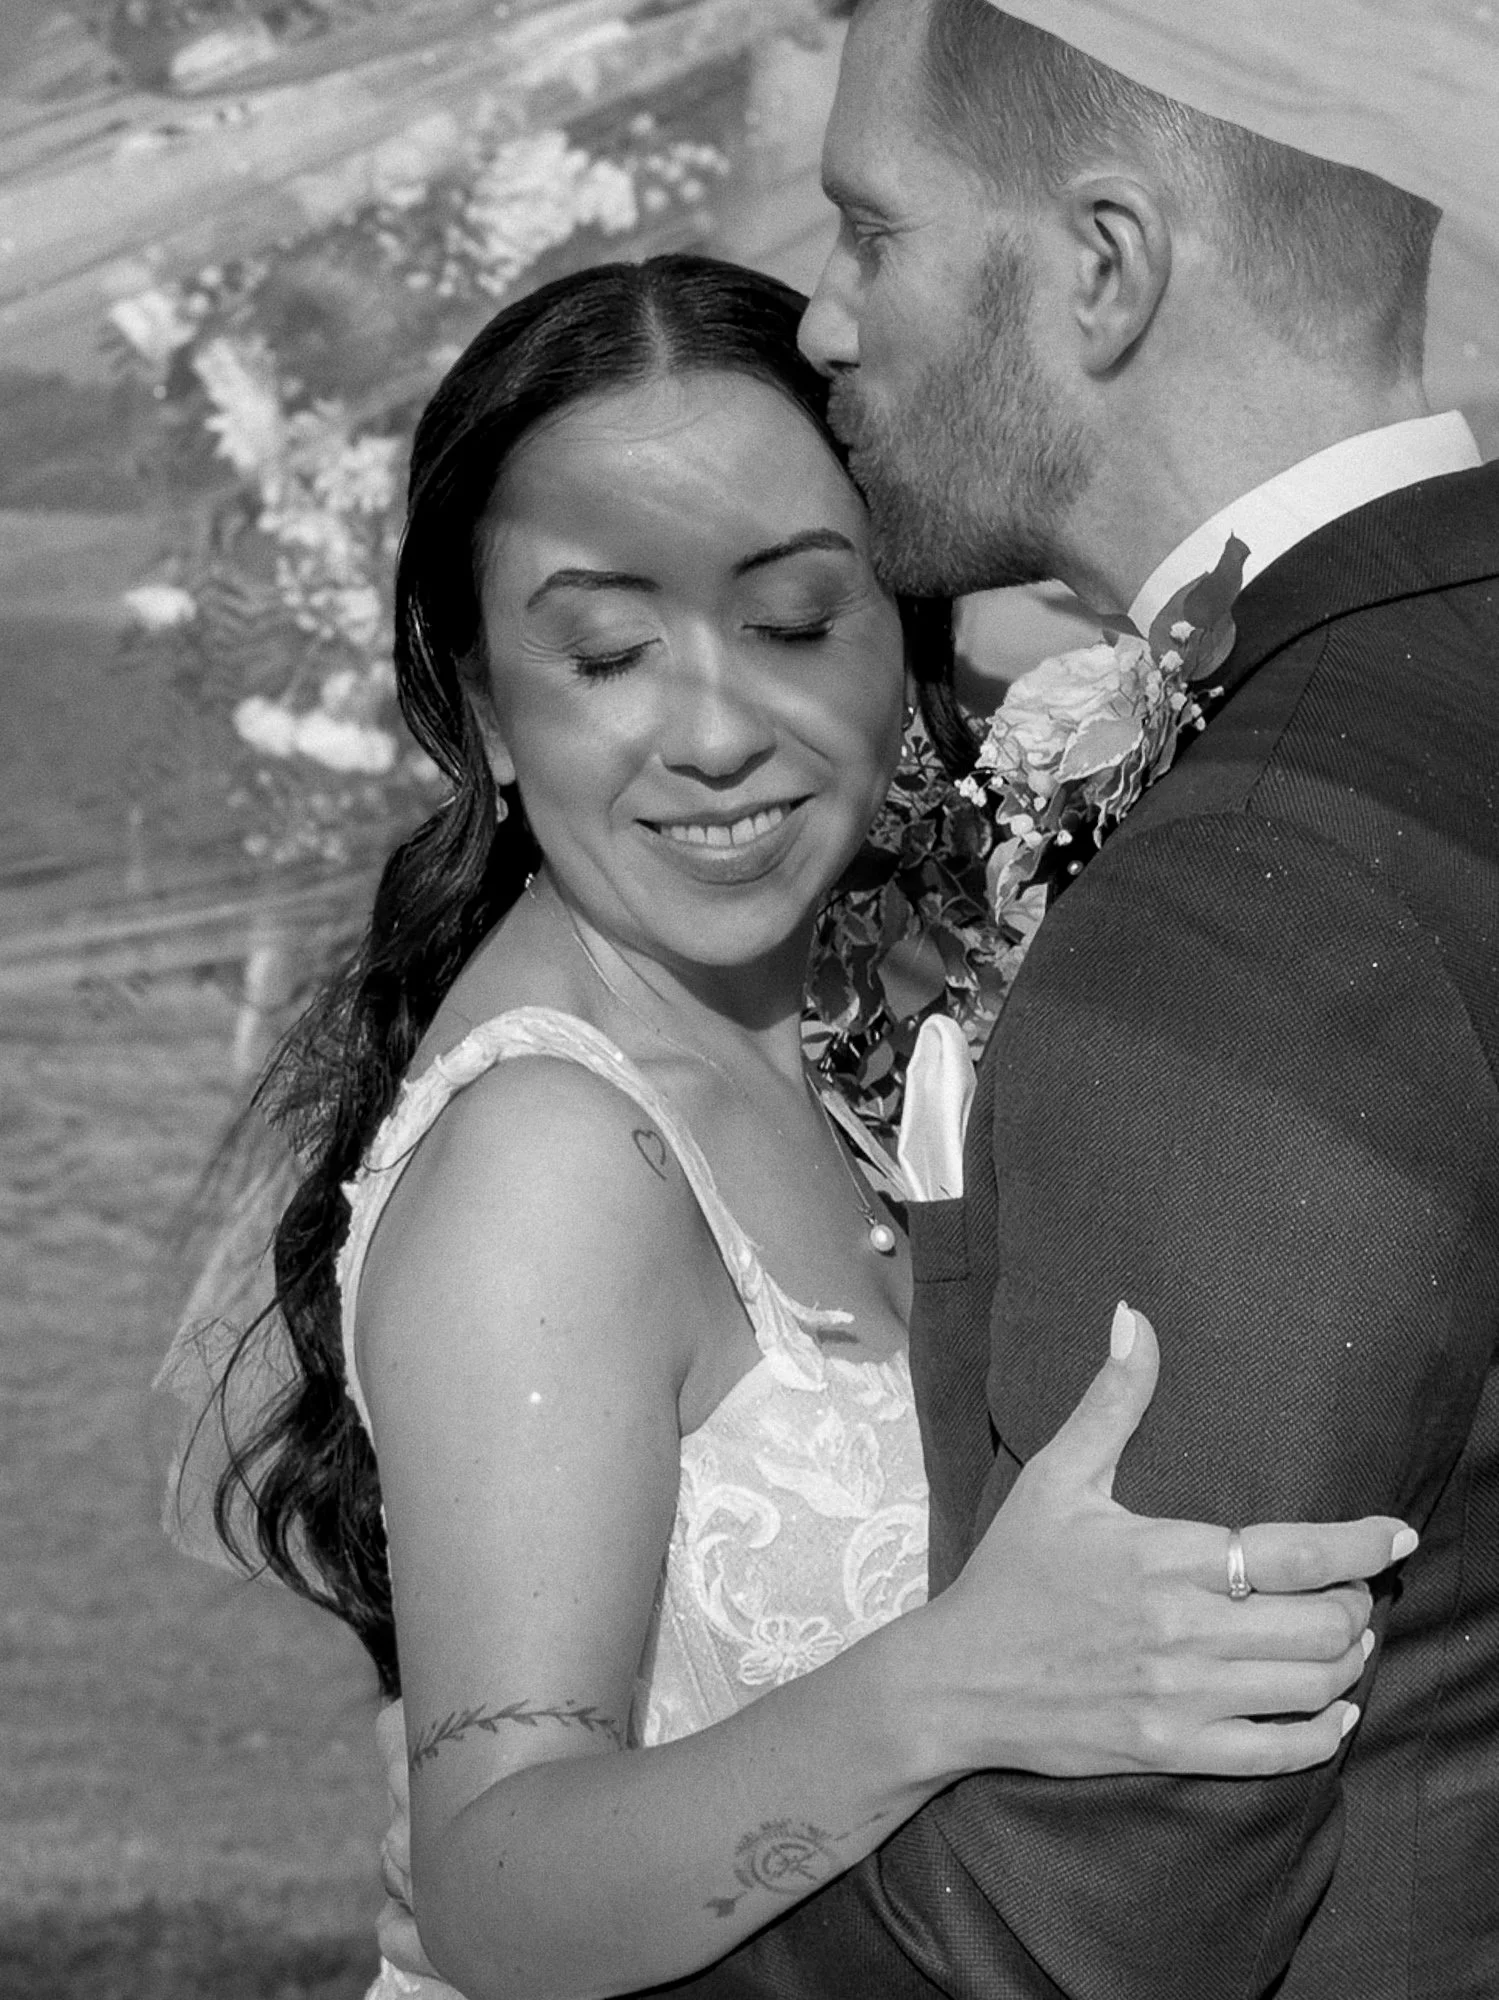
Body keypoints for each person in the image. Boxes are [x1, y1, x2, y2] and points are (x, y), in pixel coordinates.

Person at [197, 252, 1413, 2000]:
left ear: (906, 636)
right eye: (605, 650)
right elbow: (495, 1888)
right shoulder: (554, 1158)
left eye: (789, 624)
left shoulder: (865, 988)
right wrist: (961, 1681)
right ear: (478, 703)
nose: (713, 731)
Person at [636, 2, 1498, 1995]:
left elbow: (1093, 1913)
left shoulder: (1263, 882)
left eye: (867, 231)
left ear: (1101, 267)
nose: (824, 318)